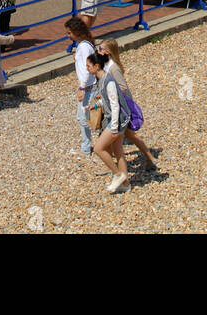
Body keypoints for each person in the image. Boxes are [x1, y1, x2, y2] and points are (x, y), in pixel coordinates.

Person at [98, 38, 159, 172]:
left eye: (100, 49)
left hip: (121, 107)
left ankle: (148, 158)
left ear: (107, 52)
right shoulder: (106, 66)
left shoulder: (114, 68)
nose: (98, 51)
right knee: (124, 134)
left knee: (123, 134)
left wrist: (110, 92)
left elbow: (123, 87)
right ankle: (149, 158)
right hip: (115, 106)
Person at [84, 53, 131, 192]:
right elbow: (106, 100)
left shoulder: (108, 81)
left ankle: (118, 175)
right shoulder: (101, 80)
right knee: (118, 152)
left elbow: (115, 104)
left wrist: (115, 127)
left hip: (117, 121)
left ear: (96, 66)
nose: (87, 69)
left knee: (98, 148)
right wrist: (96, 105)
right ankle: (126, 185)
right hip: (117, 119)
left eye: (88, 66)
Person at [65, 16, 97, 157]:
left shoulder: (83, 46)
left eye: (69, 33)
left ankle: (86, 147)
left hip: (88, 87)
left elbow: (85, 69)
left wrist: (82, 88)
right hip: (90, 85)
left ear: (76, 32)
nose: (68, 36)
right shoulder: (85, 45)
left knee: (83, 117)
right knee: (87, 116)